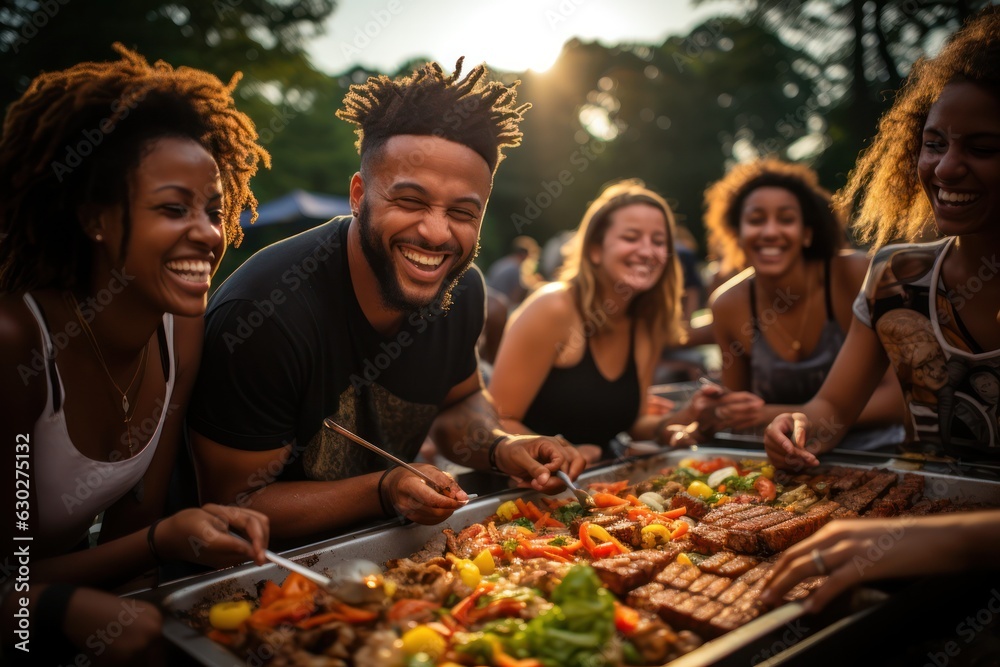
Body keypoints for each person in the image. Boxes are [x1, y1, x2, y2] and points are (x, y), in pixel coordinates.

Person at [187, 58, 585, 545]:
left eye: (461, 212)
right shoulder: (265, 314)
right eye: (411, 202)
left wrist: (502, 447)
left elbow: (459, 405)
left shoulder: (463, 290)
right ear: (358, 195)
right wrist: (383, 489)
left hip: (390, 561)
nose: (436, 232)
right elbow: (231, 507)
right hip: (245, 582)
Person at [0, 45, 271, 663]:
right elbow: (15, 575)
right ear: (96, 219)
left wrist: (164, 548)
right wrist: (62, 609)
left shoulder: (181, 332)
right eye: (174, 208)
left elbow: (133, 538)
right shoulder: (18, 343)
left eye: (214, 211)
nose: (206, 232)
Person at [762, 3, 1000, 609]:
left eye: (983, 147)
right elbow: (833, 407)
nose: (946, 167)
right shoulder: (897, 275)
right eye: (934, 142)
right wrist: (798, 429)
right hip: (896, 561)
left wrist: (937, 544)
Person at [488, 180, 723, 464]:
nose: (648, 252)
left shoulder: (646, 320)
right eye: (631, 237)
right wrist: (562, 453)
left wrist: (676, 423)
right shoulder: (553, 307)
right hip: (525, 493)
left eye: (659, 242)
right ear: (595, 249)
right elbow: (495, 423)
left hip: (600, 490)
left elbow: (633, 424)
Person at [706, 159, 905, 445]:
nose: (770, 231)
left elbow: (896, 401)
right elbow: (739, 418)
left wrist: (775, 414)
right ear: (737, 234)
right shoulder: (727, 305)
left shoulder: (855, 275)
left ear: (807, 233)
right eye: (756, 220)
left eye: (786, 219)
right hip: (790, 462)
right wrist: (717, 410)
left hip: (880, 453)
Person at [485, 235, 540, 305]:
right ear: (524, 255)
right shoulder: (516, 268)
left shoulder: (504, 262)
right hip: (499, 304)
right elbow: (515, 296)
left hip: (490, 300)